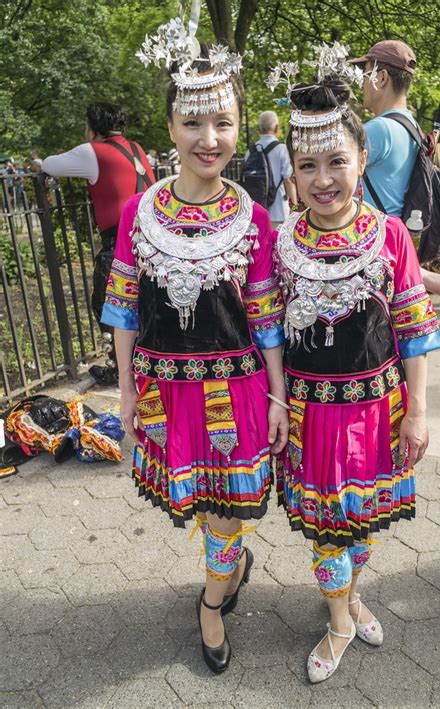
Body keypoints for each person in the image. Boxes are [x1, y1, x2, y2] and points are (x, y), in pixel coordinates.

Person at [102, 20, 288, 675]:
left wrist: (279, 397)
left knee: (228, 503)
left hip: (235, 390)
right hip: (165, 391)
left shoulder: (254, 217)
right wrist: (124, 389)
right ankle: (227, 566)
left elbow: (265, 317)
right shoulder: (140, 213)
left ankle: (212, 600)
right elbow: (124, 307)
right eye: (194, 123)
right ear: (171, 126)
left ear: (241, 127)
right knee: (206, 503)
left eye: (225, 123)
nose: (210, 140)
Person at [269, 43, 440, 684]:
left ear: (362, 159)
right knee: (325, 528)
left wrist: (417, 413)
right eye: (307, 164)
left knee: (362, 522)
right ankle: (339, 620)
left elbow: (416, 328)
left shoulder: (389, 235)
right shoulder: (279, 241)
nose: (323, 178)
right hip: (311, 416)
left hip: (378, 410)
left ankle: (349, 597)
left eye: (337, 161)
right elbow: (268, 335)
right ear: (292, 171)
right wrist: (278, 401)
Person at [42, 103, 155, 386]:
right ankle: (141, 361)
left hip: (120, 241)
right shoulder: (137, 149)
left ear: (92, 128)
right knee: (142, 301)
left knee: (107, 303)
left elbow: (49, 164)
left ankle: (123, 368)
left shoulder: (93, 151)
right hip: (151, 238)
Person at [349, 40, 418, 216]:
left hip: (369, 235)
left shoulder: (380, 129)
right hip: (393, 233)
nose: (361, 84)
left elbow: (330, 174)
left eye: (365, 75)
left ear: (382, 78)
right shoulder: (412, 126)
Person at [252, 111, 297, 227]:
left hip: (257, 211)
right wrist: (295, 206)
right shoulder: (282, 149)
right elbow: (288, 180)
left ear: (259, 129)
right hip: (278, 210)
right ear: (276, 128)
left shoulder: (251, 150)